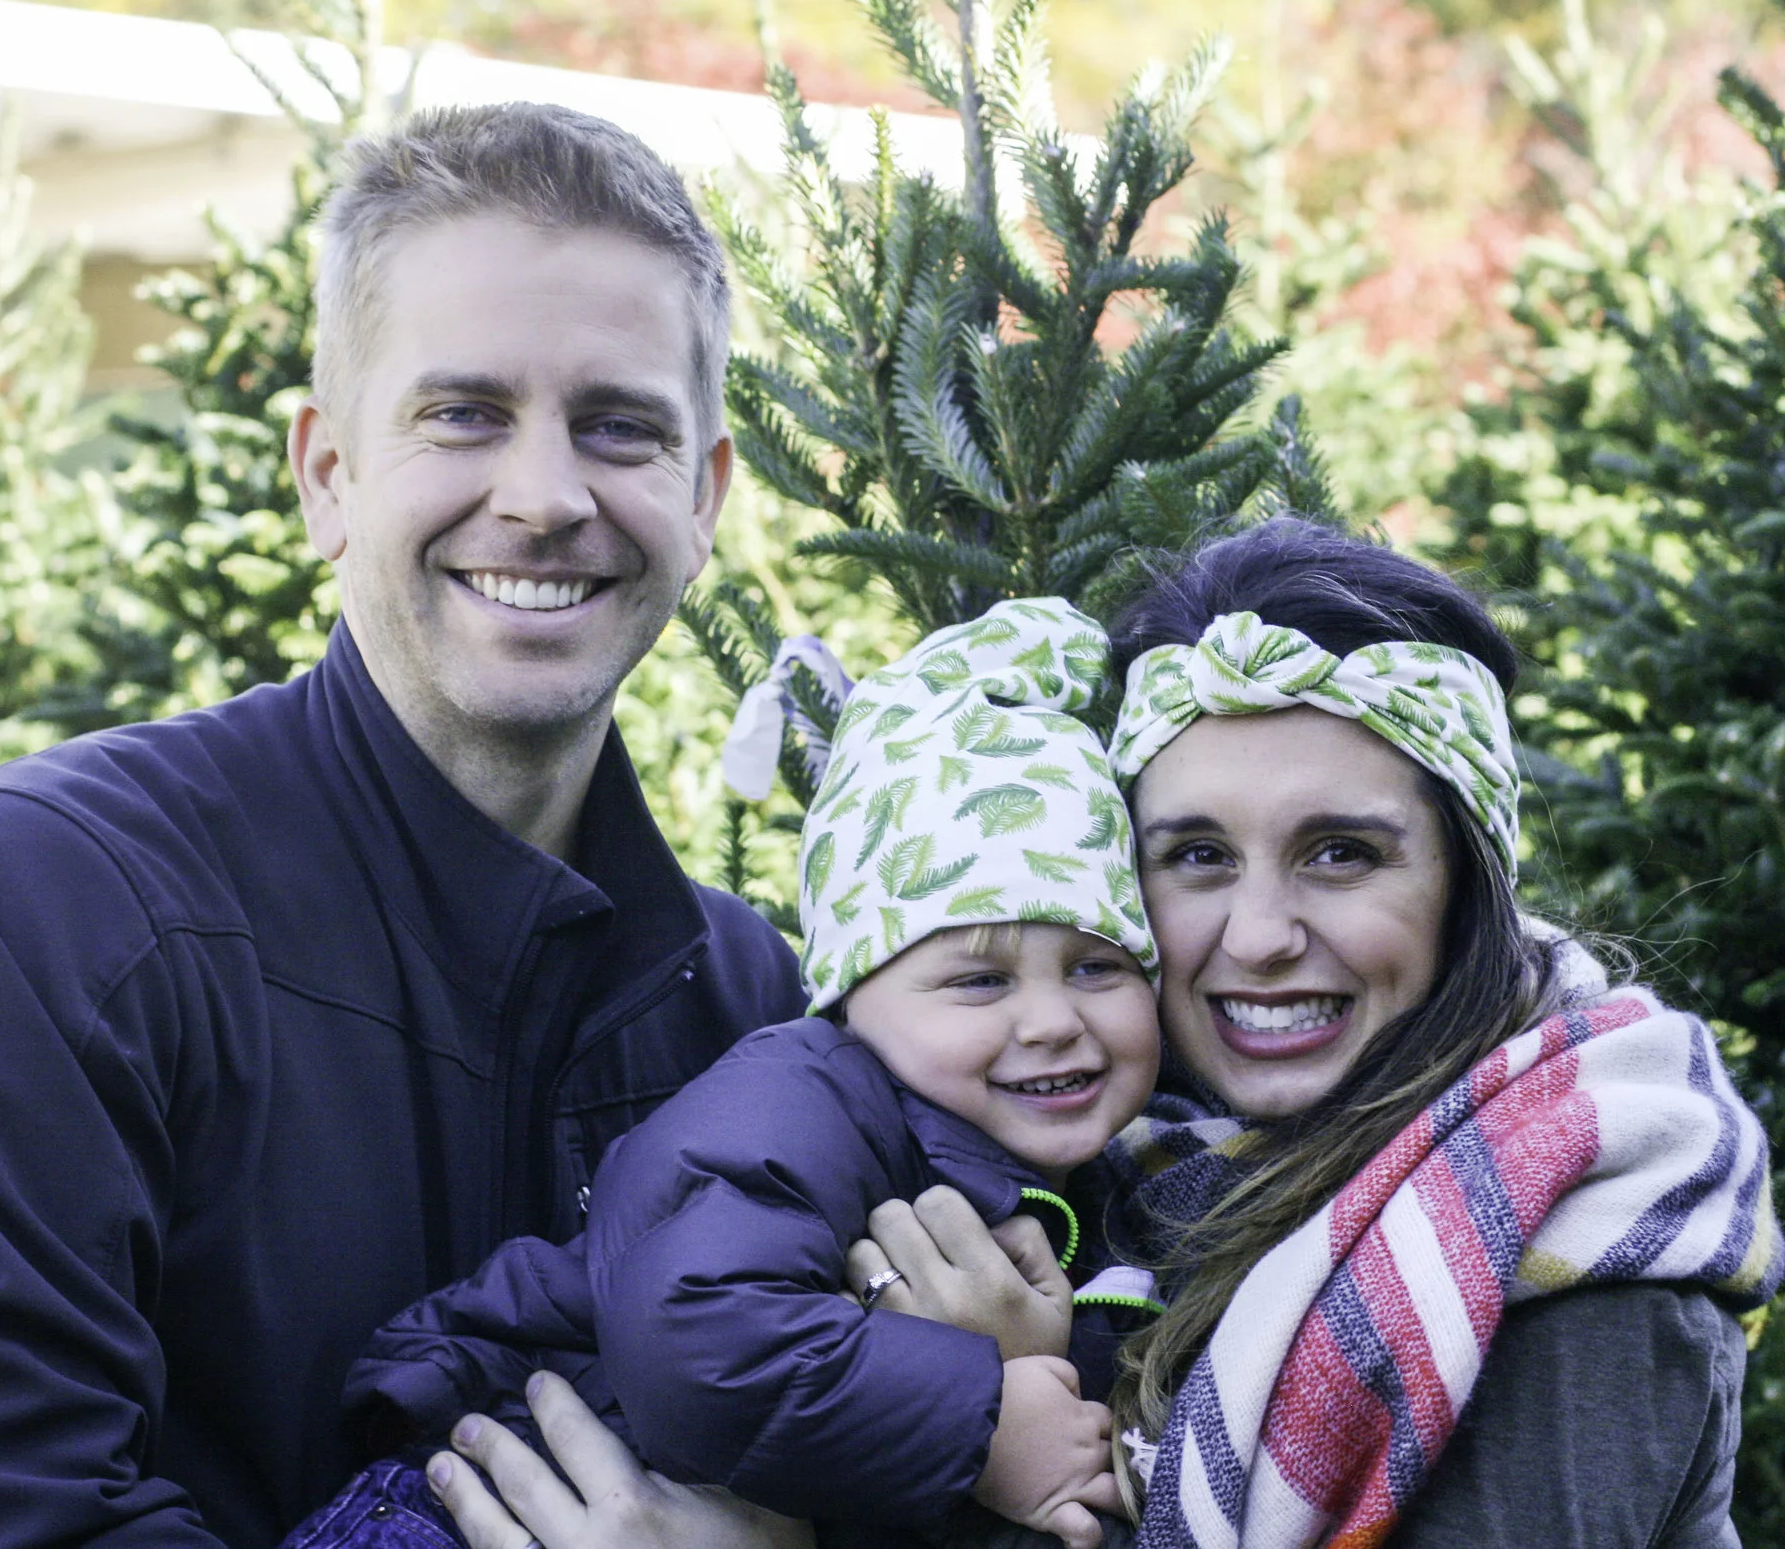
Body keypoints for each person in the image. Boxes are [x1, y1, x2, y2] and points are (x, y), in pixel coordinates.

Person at [0, 103, 808, 1549]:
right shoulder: (37, 911)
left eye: (618, 427)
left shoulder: (751, 1005)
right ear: (328, 474)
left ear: (702, 500)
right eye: (463, 414)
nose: (544, 496)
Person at [842, 516, 1785, 1549]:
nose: (1258, 937)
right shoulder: (1109, 1168)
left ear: (1464, 889)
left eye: (1339, 852)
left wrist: (986, 1401)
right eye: (1198, 855)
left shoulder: (1573, 1251)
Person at [291, 599, 1160, 1549]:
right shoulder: (803, 1102)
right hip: (471, 1496)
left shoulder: (1119, 1184)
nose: (1053, 1020)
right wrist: (985, 1428)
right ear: (852, 992)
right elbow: (691, 1334)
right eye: (979, 981)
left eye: (1098, 967)